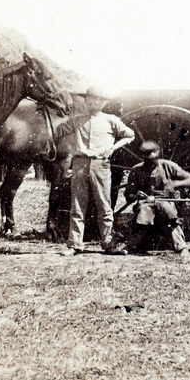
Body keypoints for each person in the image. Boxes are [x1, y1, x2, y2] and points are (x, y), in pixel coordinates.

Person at [57, 86, 134, 256]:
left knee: (104, 206)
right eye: (91, 99)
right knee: (77, 205)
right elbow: (57, 131)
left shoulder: (111, 120)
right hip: (79, 165)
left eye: (98, 100)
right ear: (86, 101)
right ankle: (75, 245)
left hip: (101, 165)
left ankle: (108, 243)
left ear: (104, 102)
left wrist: (113, 148)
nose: (94, 103)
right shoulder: (76, 120)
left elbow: (130, 135)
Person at [124, 141, 190, 261]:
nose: (151, 164)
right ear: (143, 158)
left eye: (154, 160)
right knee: (144, 211)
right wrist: (136, 196)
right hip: (145, 203)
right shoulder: (136, 170)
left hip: (165, 201)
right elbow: (128, 194)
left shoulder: (168, 166)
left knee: (167, 212)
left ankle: (182, 247)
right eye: (147, 161)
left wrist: (176, 183)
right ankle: (132, 246)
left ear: (159, 156)